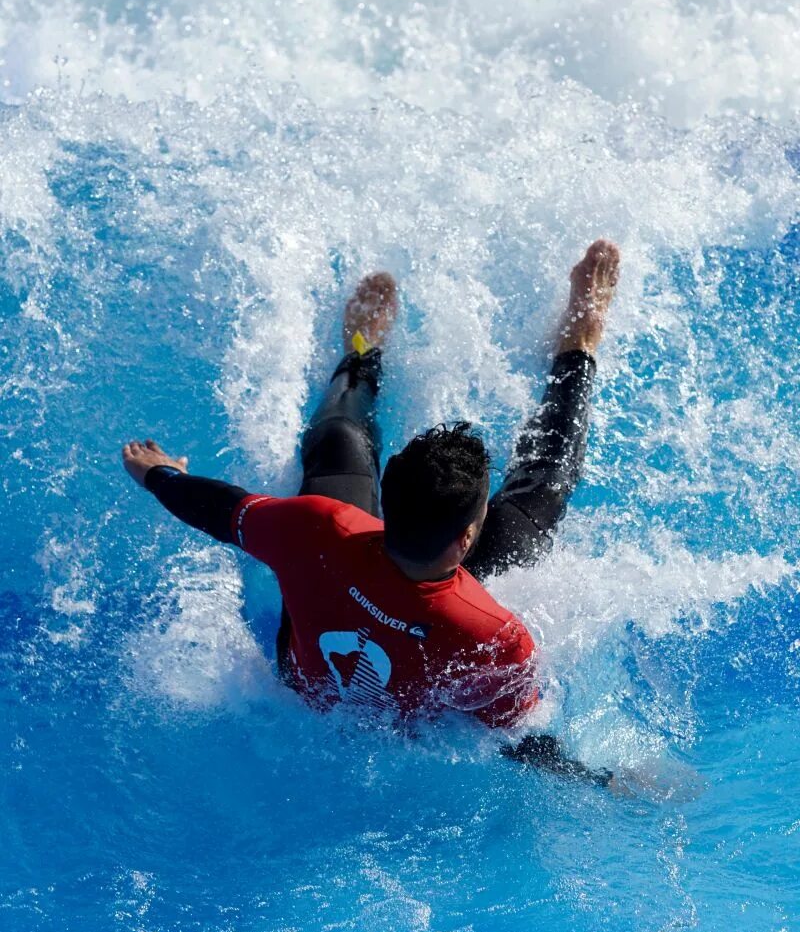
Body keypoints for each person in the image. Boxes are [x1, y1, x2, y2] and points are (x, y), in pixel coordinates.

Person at [122, 240, 620, 785]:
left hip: (308, 681)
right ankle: (579, 345)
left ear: (385, 499)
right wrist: (604, 780)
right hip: (410, 693)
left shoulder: (315, 526)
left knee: (338, 436)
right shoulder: (493, 633)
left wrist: (160, 474)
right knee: (545, 479)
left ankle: (362, 353)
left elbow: (215, 509)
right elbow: (518, 741)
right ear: (469, 538)